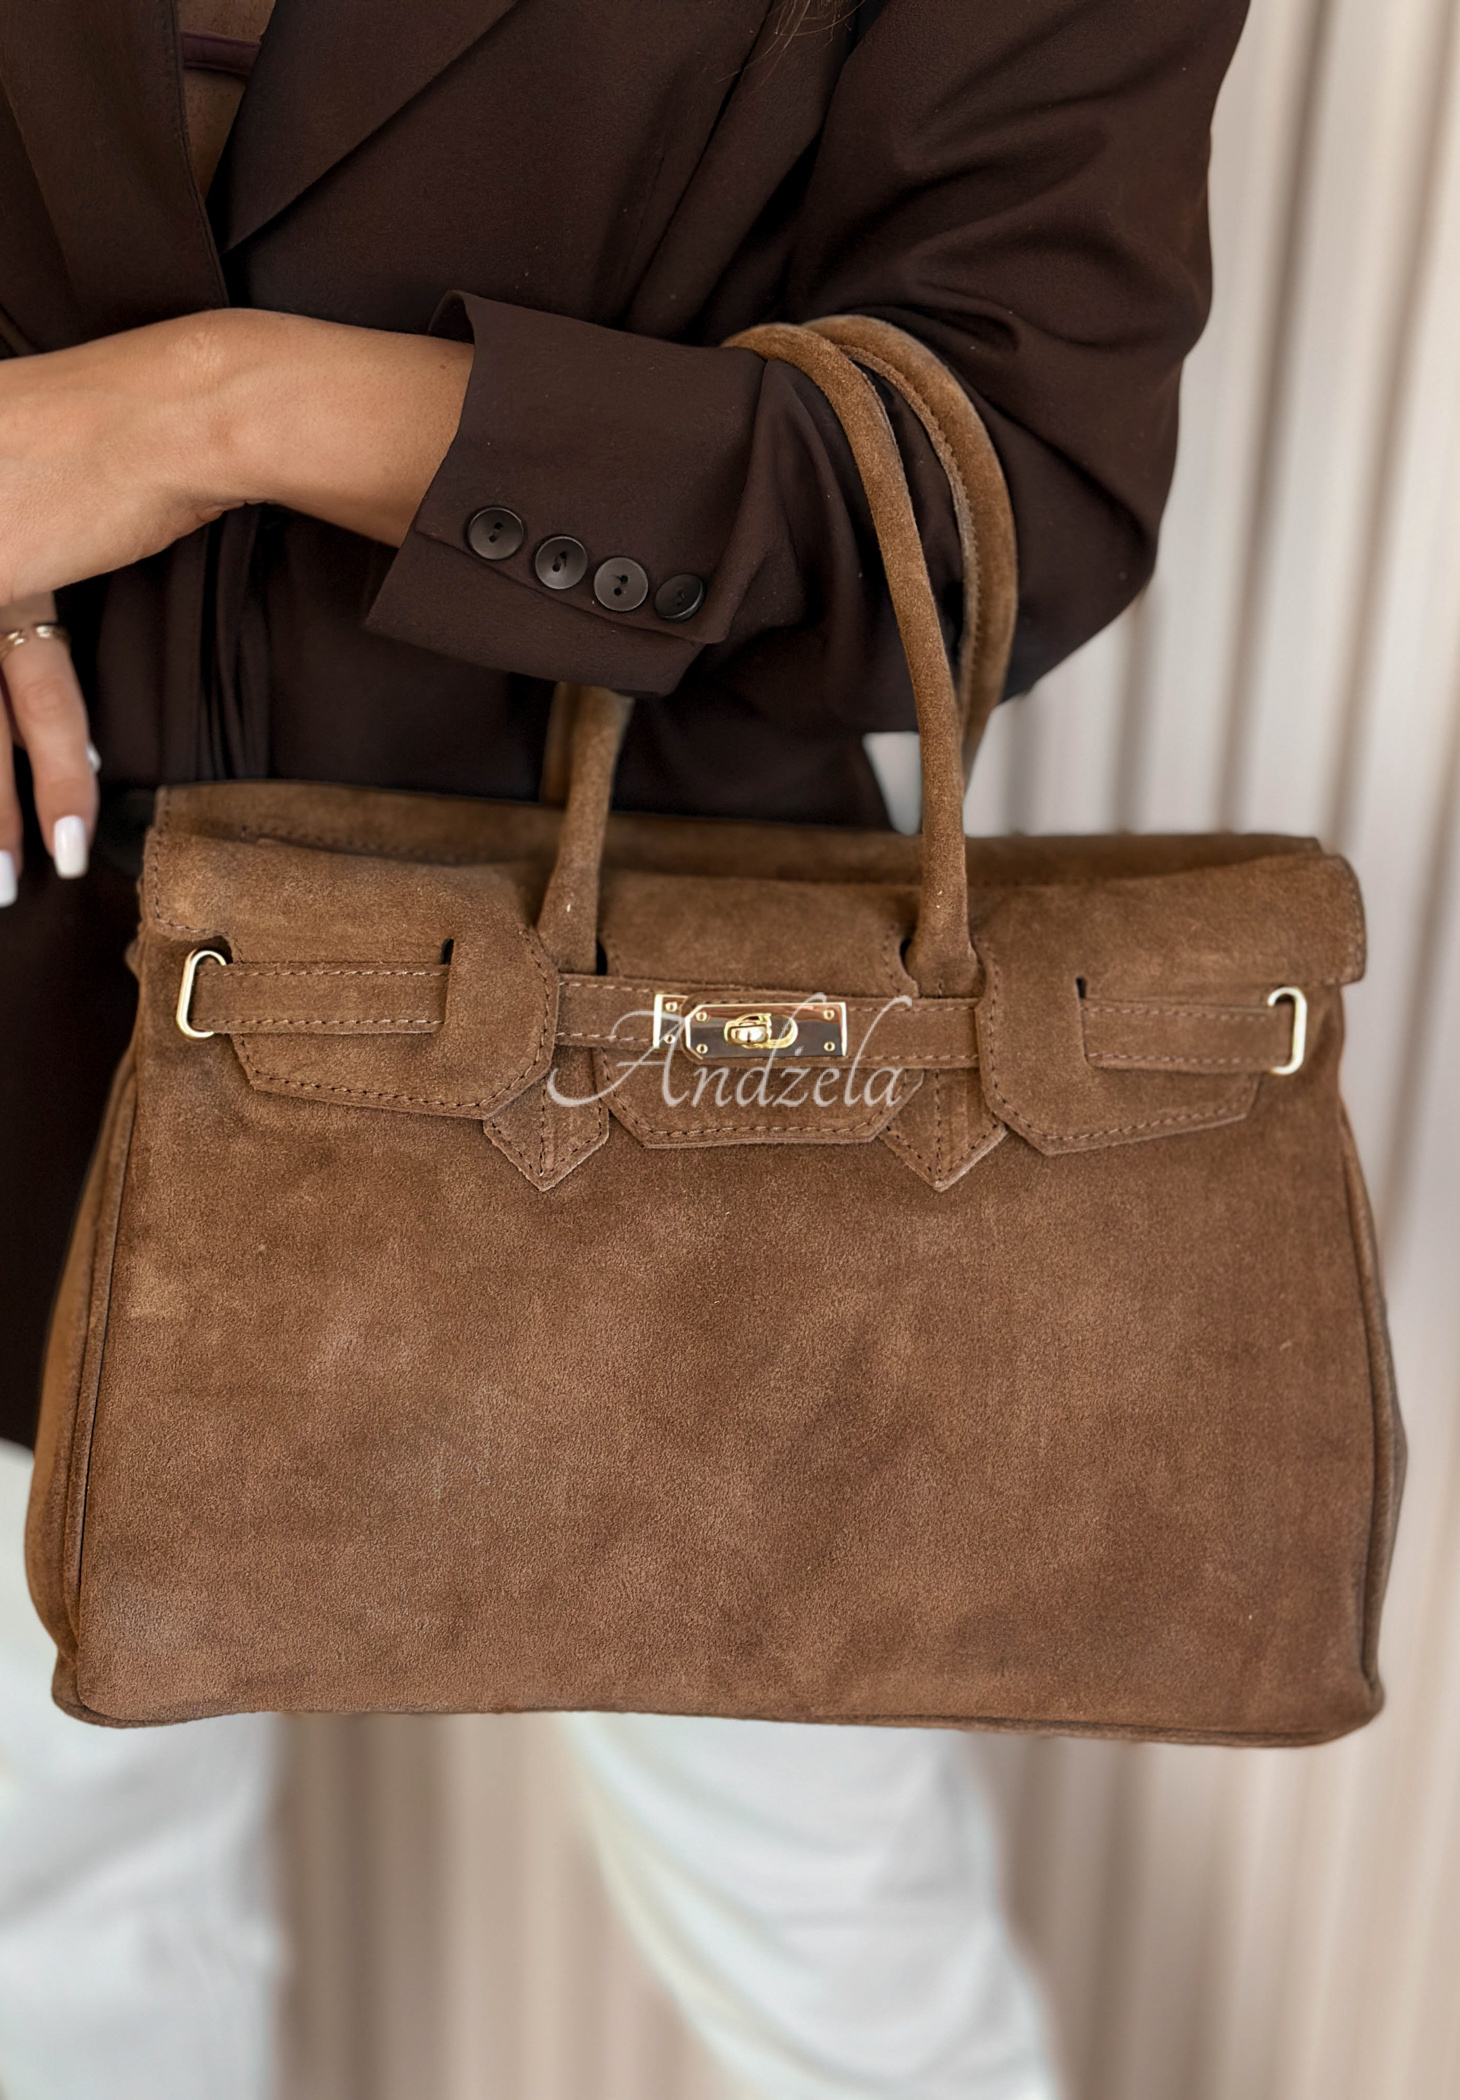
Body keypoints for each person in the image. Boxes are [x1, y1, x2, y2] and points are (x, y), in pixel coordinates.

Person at [0, 1, 1249, 2092]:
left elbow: (1003, 491)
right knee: (48, 1904)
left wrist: (210, 409)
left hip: (675, 1064)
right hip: (50, 976)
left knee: (831, 1950)